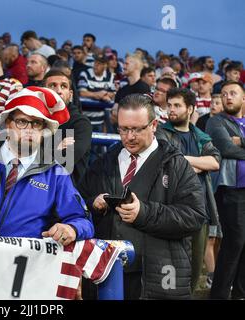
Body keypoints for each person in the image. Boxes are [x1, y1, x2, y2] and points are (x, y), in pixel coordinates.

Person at [79, 94, 206, 299]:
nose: (129, 137)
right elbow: (78, 206)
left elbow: (194, 216)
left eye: (137, 129)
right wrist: (93, 203)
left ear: (154, 124)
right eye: (123, 129)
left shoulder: (176, 164)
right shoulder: (103, 163)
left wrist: (143, 213)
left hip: (157, 277)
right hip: (106, 275)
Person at [0, 86, 94, 242]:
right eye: (22, 122)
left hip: (25, 263)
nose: (29, 129)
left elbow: (83, 220)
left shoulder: (55, 173)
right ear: (8, 124)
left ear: (43, 130)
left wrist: (72, 228)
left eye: (36, 124)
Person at [155, 88, 220, 293]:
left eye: (177, 105)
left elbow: (215, 162)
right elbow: (169, 162)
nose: (171, 110)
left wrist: (185, 160)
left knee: (194, 269)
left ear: (190, 109)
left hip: (199, 208)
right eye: (169, 105)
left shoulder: (200, 135)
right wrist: (199, 164)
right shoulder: (161, 132)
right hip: (171, 208)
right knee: (172, 267)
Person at [206, 81, 245, 299]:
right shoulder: (215, 121)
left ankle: (240, 293)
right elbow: (226, 148)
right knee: (234, 242)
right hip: (231, 189)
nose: (228, 97)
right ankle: (219, 294)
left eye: (233, 93)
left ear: (243, 98)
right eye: (224, 94)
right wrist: (235, 145)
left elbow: (237, 148)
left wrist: (242, 142)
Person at [43, 69, 92, 186]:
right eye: (52, 85)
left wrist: (43, 150)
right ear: (43, 92)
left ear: (70, 95)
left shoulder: (81, 123)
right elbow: (22, 155)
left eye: (63, 86)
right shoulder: (34, 120)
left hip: (66, 191)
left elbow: (67, 160)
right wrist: (57, 149)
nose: (58, 90)